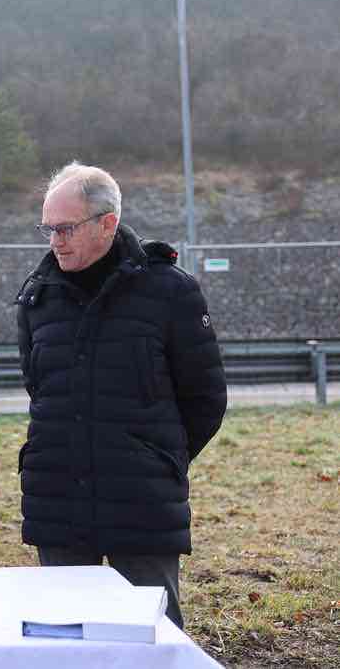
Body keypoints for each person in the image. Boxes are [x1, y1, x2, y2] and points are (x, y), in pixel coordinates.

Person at [15, 162, 227, 629]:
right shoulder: (37, 297)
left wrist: (155, 457)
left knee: (153, 636)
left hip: (143, 504)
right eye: (48, 229)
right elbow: (40, 388)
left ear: (107, 223)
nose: (55, 241)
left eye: (66, 228)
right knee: (66, 638)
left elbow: (205, 398)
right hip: (58, 501)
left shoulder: (170, 292)